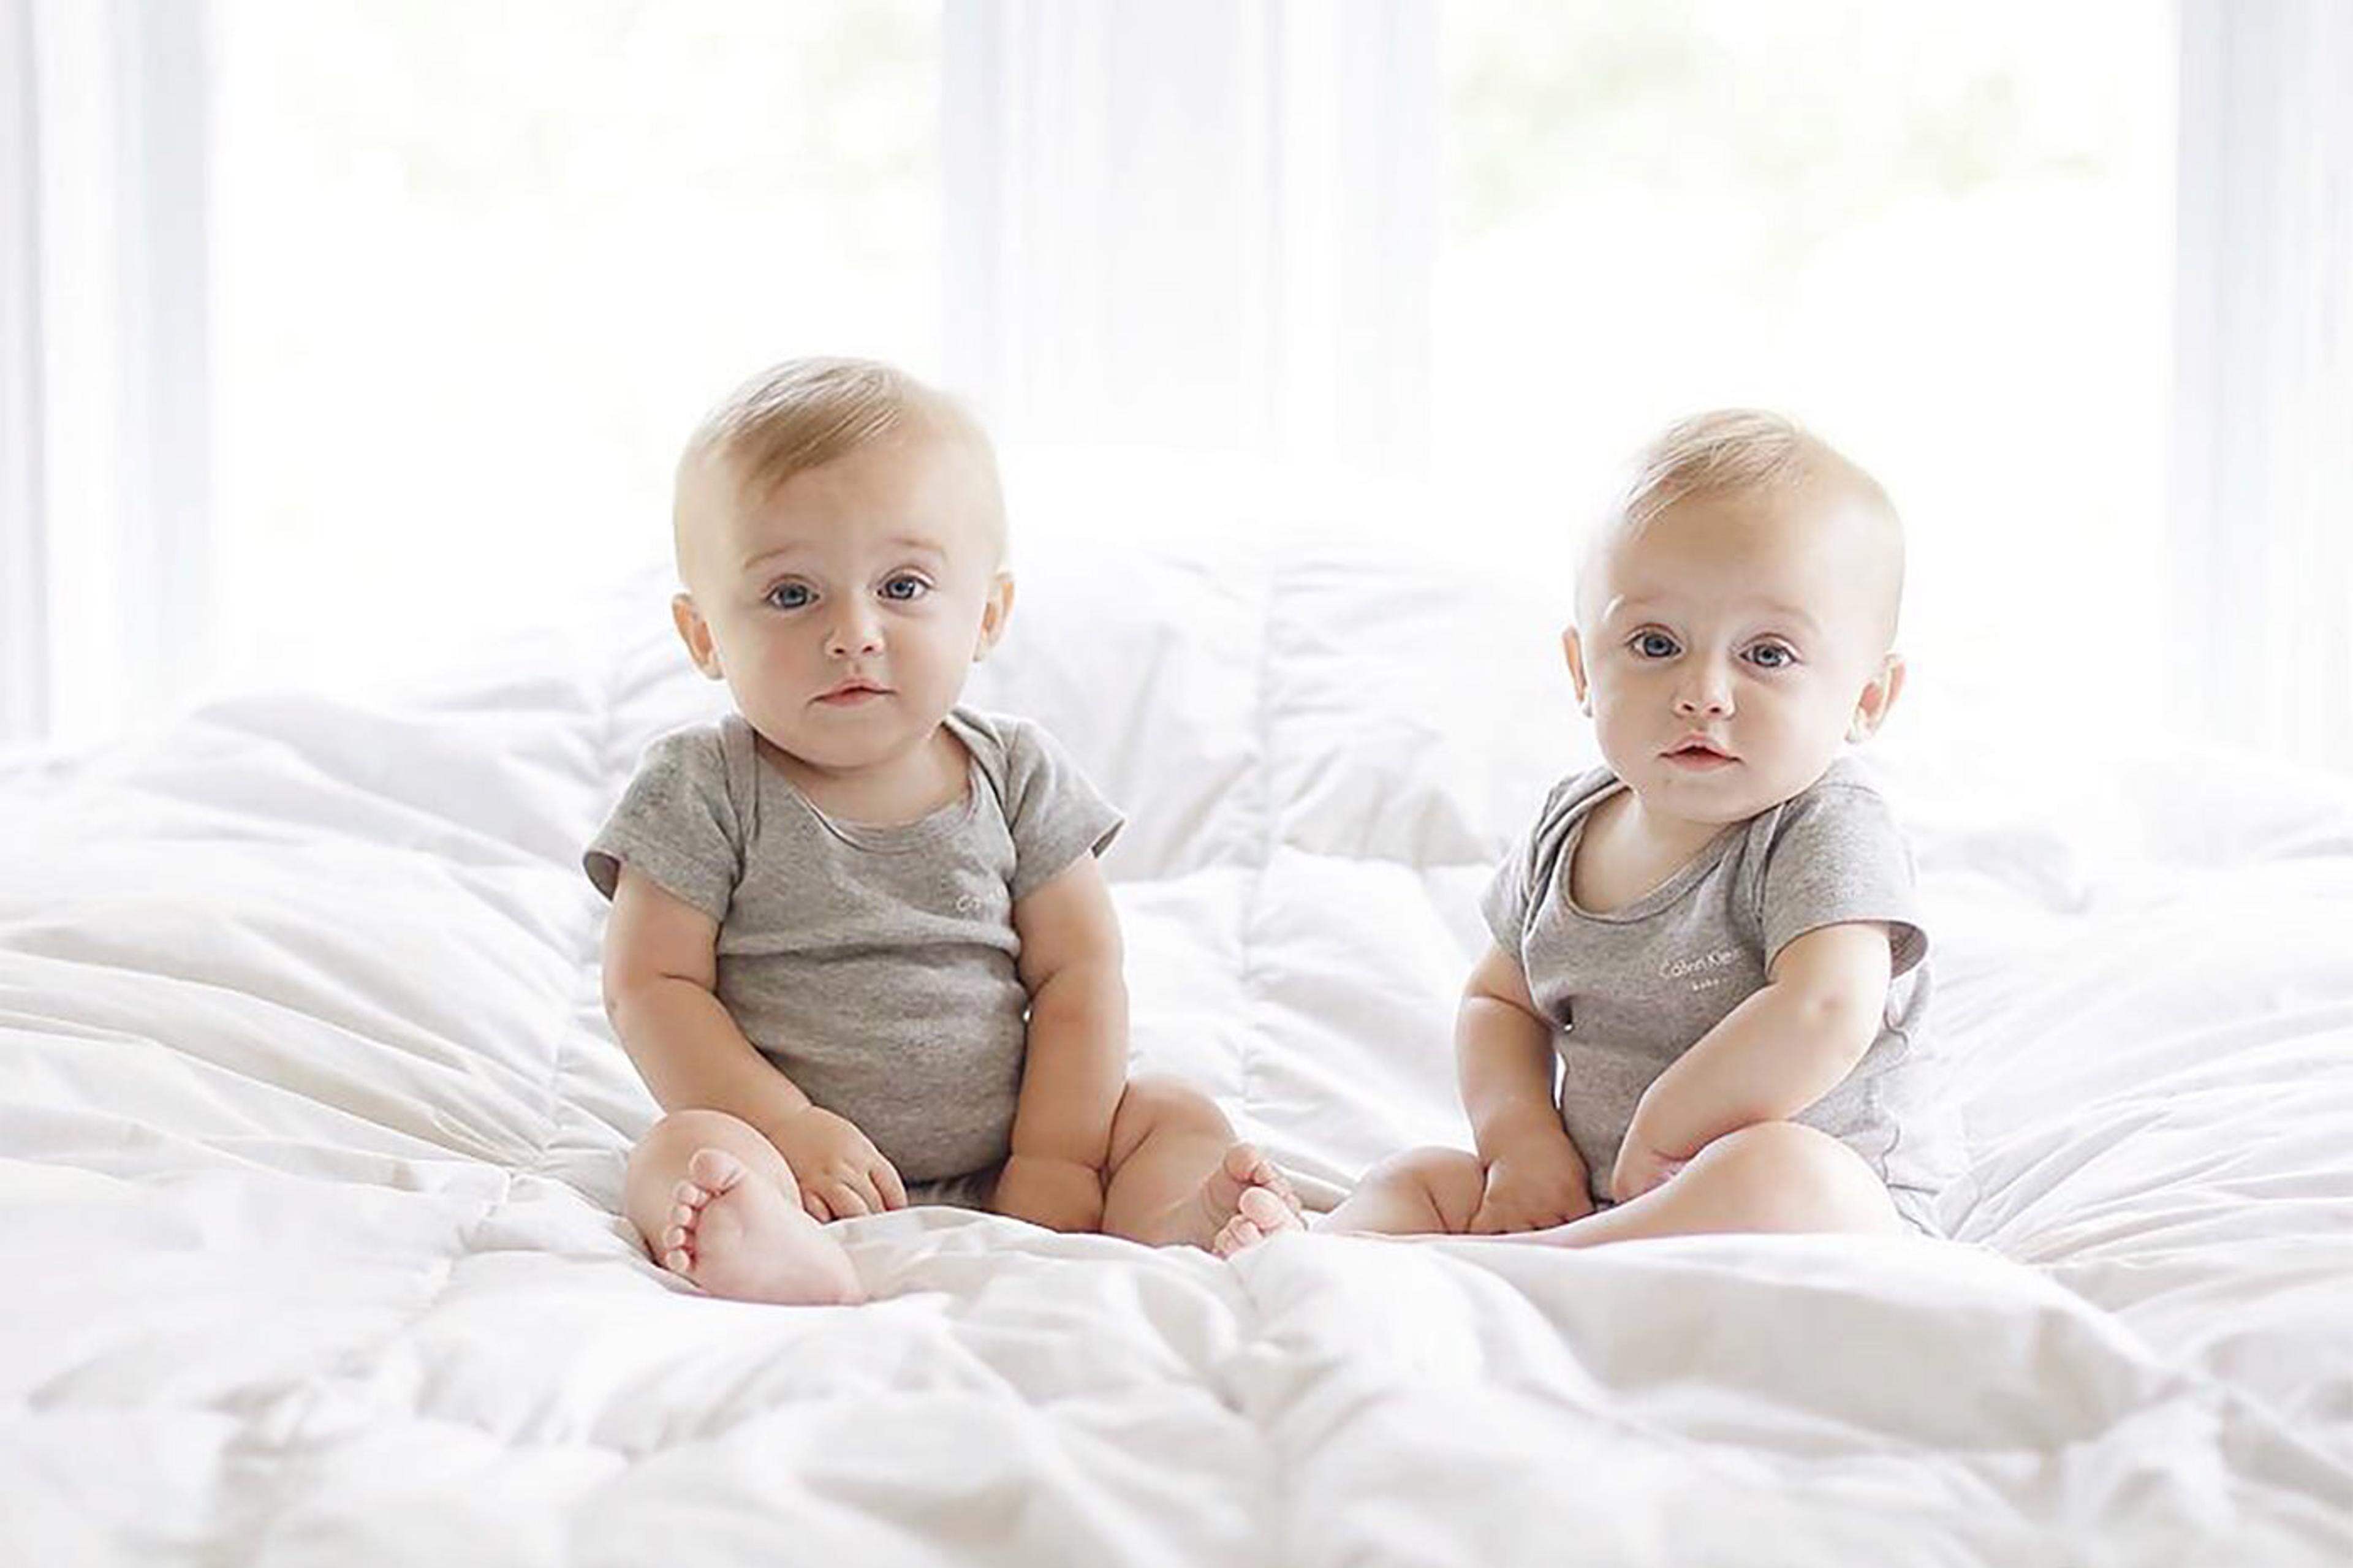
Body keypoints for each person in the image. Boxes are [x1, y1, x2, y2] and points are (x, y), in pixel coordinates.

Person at [589, 356, 1295, 1304]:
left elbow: (1080, 978)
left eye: (905, 587)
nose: (854, 633)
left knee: (1171, 1109)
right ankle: (765, 1242)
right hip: (799, 1159)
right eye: (793, 595)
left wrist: (1060, 1159)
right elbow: (650, 986)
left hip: (1021, 1148)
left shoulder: (1017, 776)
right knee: (682, 1150)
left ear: (988, 614)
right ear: (704, 636)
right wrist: (788, 1125)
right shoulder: (701, 787)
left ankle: (1177, 1221)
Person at [1217, 409, 1961, 1256]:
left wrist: (1672, 1123)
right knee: (1422, 1177)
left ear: (1869, 699)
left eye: (1767, 655)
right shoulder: (1569, 829)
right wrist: (1520, 1144)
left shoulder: (1823, 825)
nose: (1704, 692)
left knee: (1782, 1172)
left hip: (1824, 1207)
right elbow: (1499, 1002)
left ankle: (1527, 1268)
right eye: (1655, 643)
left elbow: (1827, 1007)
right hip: (1604, 1195)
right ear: (1582, 669)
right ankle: (1315, 1255)